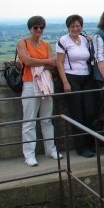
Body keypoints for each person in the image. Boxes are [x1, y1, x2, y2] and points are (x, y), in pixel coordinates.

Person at [17, 16, 62, 167]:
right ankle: (29, 154)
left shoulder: (46, 44)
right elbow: (27, 61)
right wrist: (45, 62)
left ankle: (51, 149)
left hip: (46, 83)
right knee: (29, 121)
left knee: (47, 119)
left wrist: (38, 62)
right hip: (30, 83)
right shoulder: (22, 43)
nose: (39, 30)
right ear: (30, 28)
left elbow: (53, 63)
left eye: (41, 27)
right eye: (36, 27)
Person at [56, 14, 95, 158]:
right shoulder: (63, 41)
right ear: (68, 27)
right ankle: (81, 147)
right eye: (72, 26)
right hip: (71, 77)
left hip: (86, 77)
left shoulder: (84, 40)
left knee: (90, 111)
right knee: (77, 113)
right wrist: (65, 82)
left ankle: (91, 143)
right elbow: (59, 63)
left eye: (78, 26)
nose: (75, 28)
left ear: (81, 27)